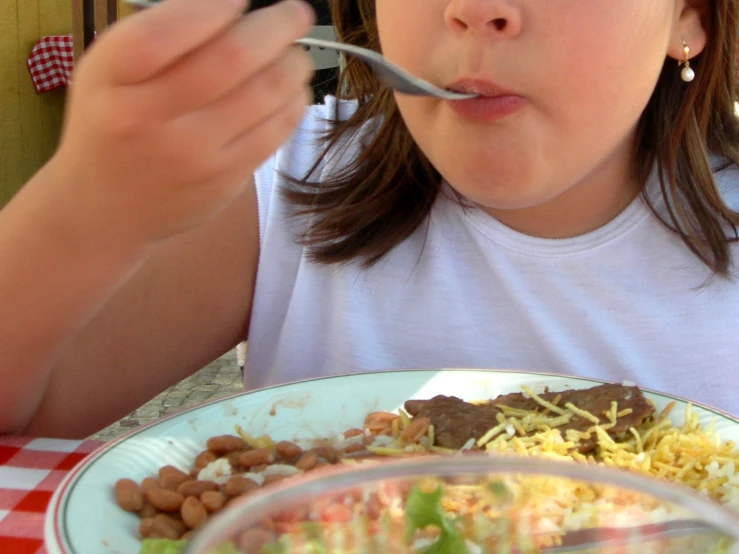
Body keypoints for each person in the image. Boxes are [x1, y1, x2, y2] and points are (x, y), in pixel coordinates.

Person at [0, 0, 737, 439]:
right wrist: (83, 210)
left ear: (687, 16)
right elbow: (24, 411)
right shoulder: (288, 178)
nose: (474, 7)